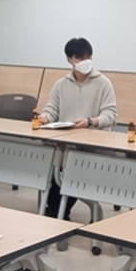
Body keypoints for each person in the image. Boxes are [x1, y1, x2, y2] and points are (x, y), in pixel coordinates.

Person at [36, 37, 117, 220]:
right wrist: (45, 117)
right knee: (57, 169)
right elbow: (52, 108)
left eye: (88, 57)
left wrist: (91, 121)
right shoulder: (61, 85)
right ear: (69, 59)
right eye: (79, 58)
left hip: (93, 147)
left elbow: (111, 115)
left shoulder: (103, 83)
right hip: (67, 144)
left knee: (71, 171)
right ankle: (56, 213)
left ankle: (57, 213)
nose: (84, 61)